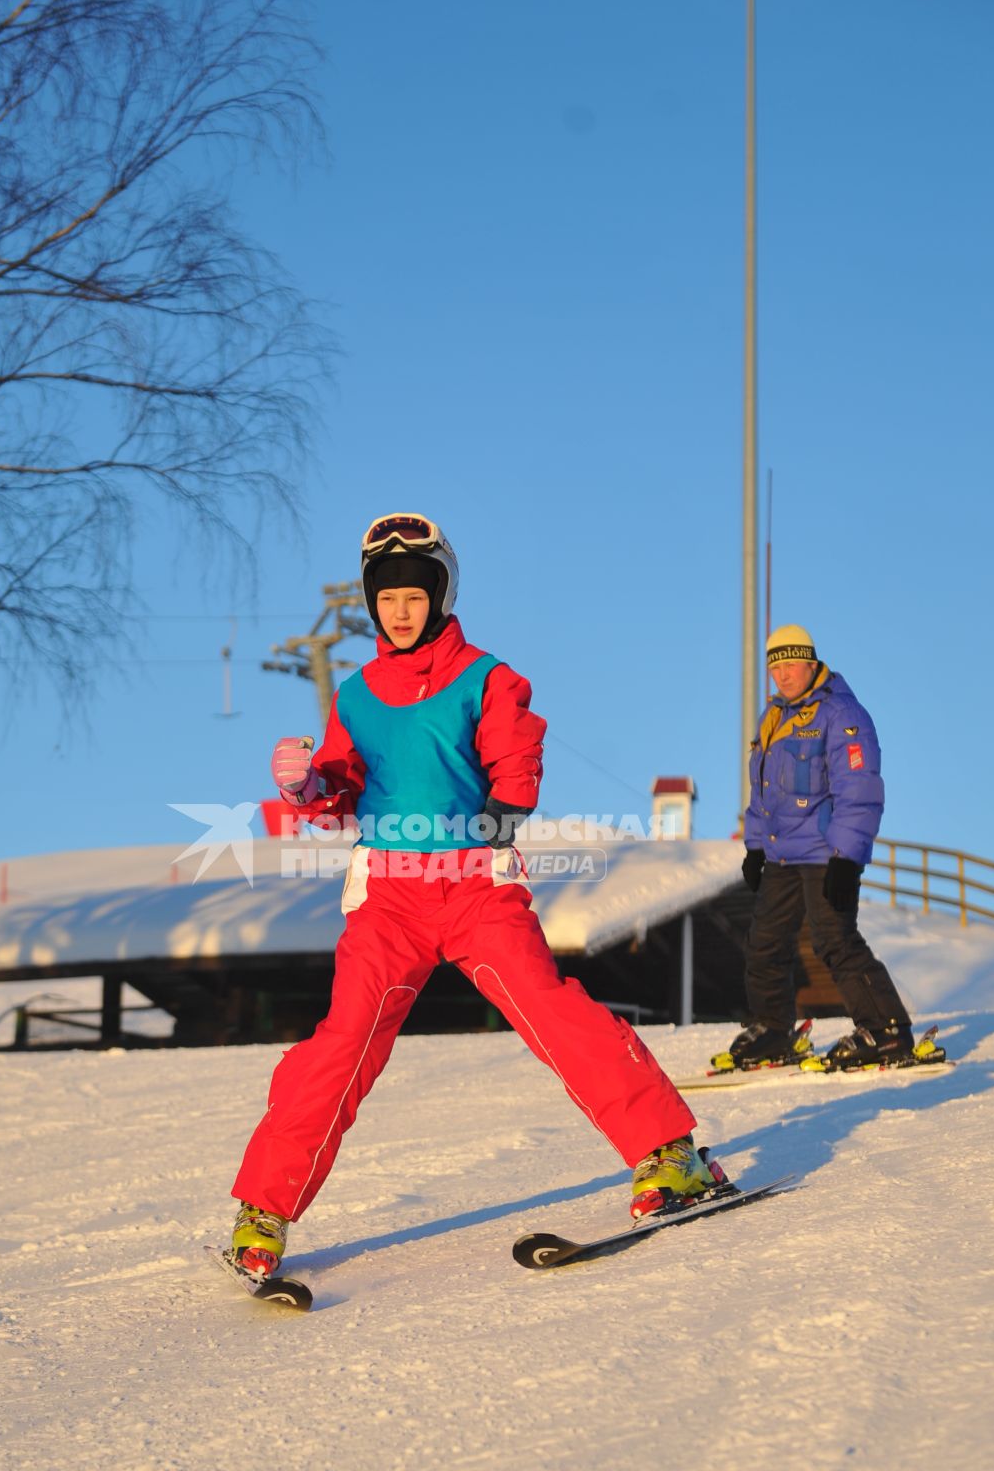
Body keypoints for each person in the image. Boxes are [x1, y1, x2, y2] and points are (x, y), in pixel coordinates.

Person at [228, 512, 727, 1278]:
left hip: (471, 885)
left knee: (547, 1007)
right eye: (386, 596)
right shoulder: (355, 697)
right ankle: (263, 1210)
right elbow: (339, 790)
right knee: (343, 1043)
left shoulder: (486, 677)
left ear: (441, 594)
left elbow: (515, 747)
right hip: (387, 897)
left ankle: (669, 1154)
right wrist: (308, 785)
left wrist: (505, 802)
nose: (400, 610)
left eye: (414, 594)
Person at [720, 621, 914, 1073]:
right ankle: (772, 1030)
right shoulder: (774, 718)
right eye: (776, 668)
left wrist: (847, 858)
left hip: (826, 853)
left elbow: (860, 788)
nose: (784, 675)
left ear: (810, 662)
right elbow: (762, 791)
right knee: (765, 943)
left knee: (835, 940)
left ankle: (887, 1031)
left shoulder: (841, 713)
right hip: (783, 854)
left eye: (791, 664)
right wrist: (754, 847)